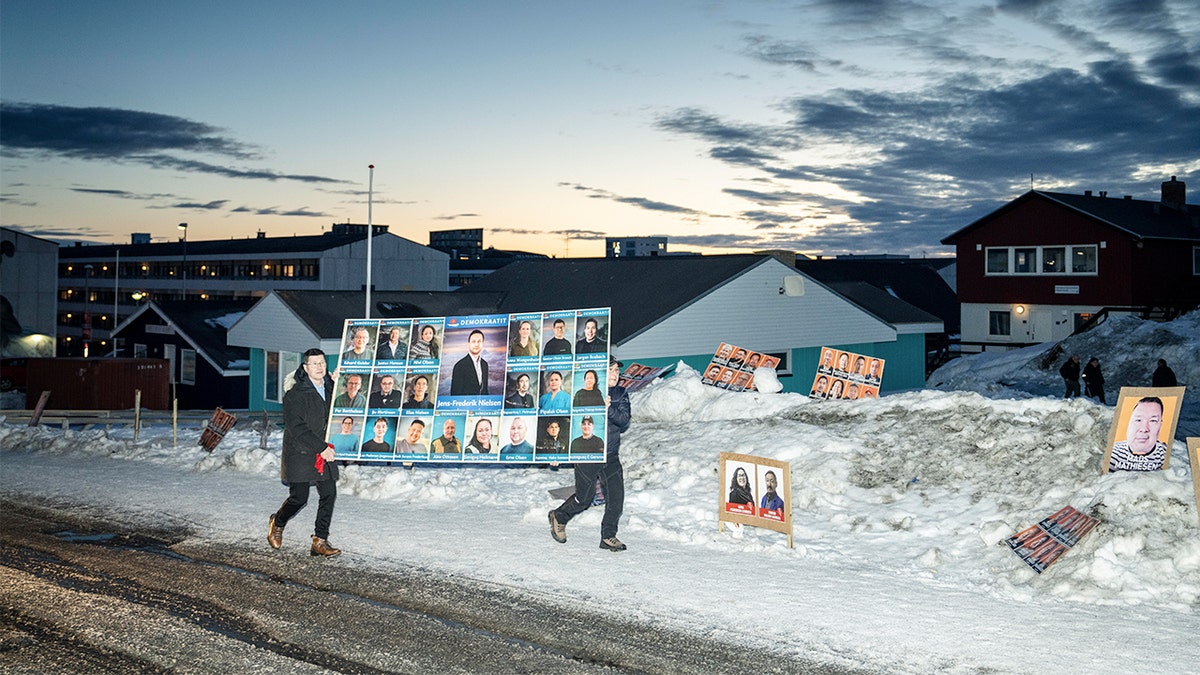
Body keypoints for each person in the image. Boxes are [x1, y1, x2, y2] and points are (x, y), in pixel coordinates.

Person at [549, 356, 632, 552]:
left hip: (610, 453)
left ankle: (608, 536)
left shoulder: (620, 394)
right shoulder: (581, 394)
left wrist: (609, 407)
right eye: (610, 370)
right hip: (586, 453)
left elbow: (624, 420)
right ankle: (559, 516)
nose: (615, 374)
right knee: (584, 498)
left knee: (616, 498)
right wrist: (555, 453)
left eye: (617, 371)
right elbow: (566, 422)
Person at [268, 348, 341, 557]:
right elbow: (297, 427)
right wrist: (322, 448)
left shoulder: (329, 388)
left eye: (322, 363)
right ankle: (278, 521)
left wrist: (338, 384)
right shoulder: (295, 394)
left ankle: (320, 540)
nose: (319, 367)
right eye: (314, 363)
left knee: (329, 493)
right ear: (305, 367)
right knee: (299, 498)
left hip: (323, 450)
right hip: (301, 451)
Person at [1108, 396, 1169, 471]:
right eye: (1138, 420)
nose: (1144, 429)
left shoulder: (1168, 456)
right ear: (1129, 422)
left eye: (1153, 421)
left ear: (1160, 425)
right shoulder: (1112, 452)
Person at [450, 329, 489, 395]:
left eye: (479, 341)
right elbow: (455, 395)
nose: (476, 344)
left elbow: (484, 390)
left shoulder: (485, 364)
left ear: (483, 343)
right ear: (469, 344)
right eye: (473, 341)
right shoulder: (459, 366)